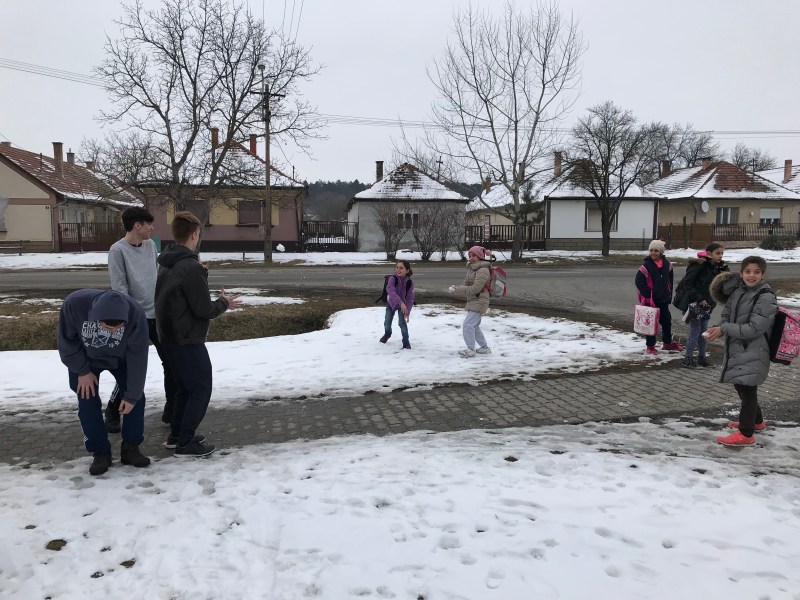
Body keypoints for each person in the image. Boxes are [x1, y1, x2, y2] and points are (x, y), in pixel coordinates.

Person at [154, 211, 241, 457]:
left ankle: (176, 436)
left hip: (168, 336)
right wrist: (224, 302)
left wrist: (201, 274)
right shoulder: (190, 266)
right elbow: (204, 310)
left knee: (184, 389)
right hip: (187, 338)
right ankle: (186, 442)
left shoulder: (167, 262)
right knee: (201, 388)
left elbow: (180, 296)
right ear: (194, 235)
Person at [57, 289, 151, 475]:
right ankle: (100, 452)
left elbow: (138, 355)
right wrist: (82, 371)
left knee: (135, 398)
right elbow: (66, 341)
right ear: (96, 318)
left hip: (122, 360)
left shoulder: (136, 313)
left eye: (119, 327)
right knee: (87, 400)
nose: (114, 331)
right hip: (86, 360)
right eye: (108, 326)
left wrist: (131, 395)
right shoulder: (75, 304)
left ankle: (130, 448)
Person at [105, 206, 177, 433]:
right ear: (137, 225)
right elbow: (119, 288)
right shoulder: (117, 251)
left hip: (158, 315)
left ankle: (171, 410)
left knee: (171, 362)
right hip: (136, 320)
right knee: (132, 368)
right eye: (149, 224)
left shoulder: (150, 246)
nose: (152, 228)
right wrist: (130, 317)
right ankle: (113, 409)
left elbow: (158, 274)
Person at [706, 256, 777, 447]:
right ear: (741, 273)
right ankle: (756, 422)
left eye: (756, 272)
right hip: (739, 348)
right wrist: (719, 327)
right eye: (748, 271)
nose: (752, 276)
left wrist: (724, 329)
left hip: (755, 350)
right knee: (742, 386)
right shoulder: (739, 291)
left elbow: (754, 328)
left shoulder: (766, 296)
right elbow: (727, 314)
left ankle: (746, 434)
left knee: (747, 390)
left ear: (763, 274)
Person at [675, 242, 729, 368]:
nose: (720, 256)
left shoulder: (718, 267)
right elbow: (688, 283)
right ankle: (688, 359)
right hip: (695, 304)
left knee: (704, 331)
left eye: (722, 253)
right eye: (718, 253)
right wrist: (699, 298)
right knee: (696, 330)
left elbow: (722, 284)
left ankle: (702, 358)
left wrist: (725, 271)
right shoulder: (700, 265)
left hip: (708, 304)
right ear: (709, 253)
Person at [635, 240, 683, 355]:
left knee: (666, 322)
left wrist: (668, 295)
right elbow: (639, 281)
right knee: (650, 324)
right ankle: (650, 346)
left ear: (661, 252)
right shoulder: (646, 266)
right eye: (651, 250)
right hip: (650, 300)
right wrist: (649, 293)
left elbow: (670, 282)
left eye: (656, 250)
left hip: (663, 300)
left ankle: (667, 343)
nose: (653, 253)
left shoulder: (668, 265)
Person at [449, 245, 492, 358]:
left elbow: (476, 289)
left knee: (468, 325)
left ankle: (470, 349)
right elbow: (466, 284)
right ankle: (484, 348)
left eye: (474, 255)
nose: (471, 257)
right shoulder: (472, 268)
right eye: (470, 255)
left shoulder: (483, 269)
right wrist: (457, 289)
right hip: (473, 300)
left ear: (480, 257)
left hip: (480, 300)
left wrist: (459, 289)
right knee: (474, 326)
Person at [379, 260, 415, 349]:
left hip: (403, 306)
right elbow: (391, 292)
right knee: (387, 322)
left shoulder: (409, 283)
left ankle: (406, 343)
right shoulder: (392, 279)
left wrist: (407, 312)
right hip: (392, 303)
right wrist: (400, 302)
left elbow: (410, 299)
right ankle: (387, 334)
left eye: (401, 268)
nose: (398, 270)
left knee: (402, 323)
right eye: (397, 267)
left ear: (407, 270)